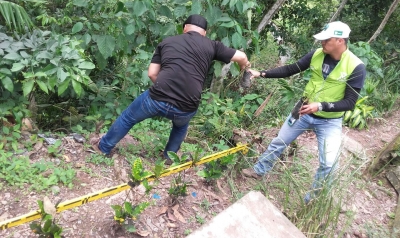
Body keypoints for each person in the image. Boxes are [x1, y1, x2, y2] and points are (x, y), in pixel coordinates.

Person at [91, 14, 251, 162]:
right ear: (204, 32)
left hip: (157, 96)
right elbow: (242, 57)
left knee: (128, 118)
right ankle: (169, 157)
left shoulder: (167, 42)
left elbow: (152, 73)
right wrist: (246, 66)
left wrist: (164, 93)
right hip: (187, 105)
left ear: (185, 28)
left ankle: (103, 148)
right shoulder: (212, 45)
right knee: (181, 127)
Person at [242, 21, 366, 203]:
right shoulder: (316, 54)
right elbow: (291, 69)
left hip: (330, 120)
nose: (322, 43)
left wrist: (320, 106)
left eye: (326, 40)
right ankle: (259, 169)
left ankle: (312, 200)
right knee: (279, 141)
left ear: (340, 40)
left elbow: (349, 103)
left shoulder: (356, 66)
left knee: (329, 164)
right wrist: (261, 73)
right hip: (303, 109)